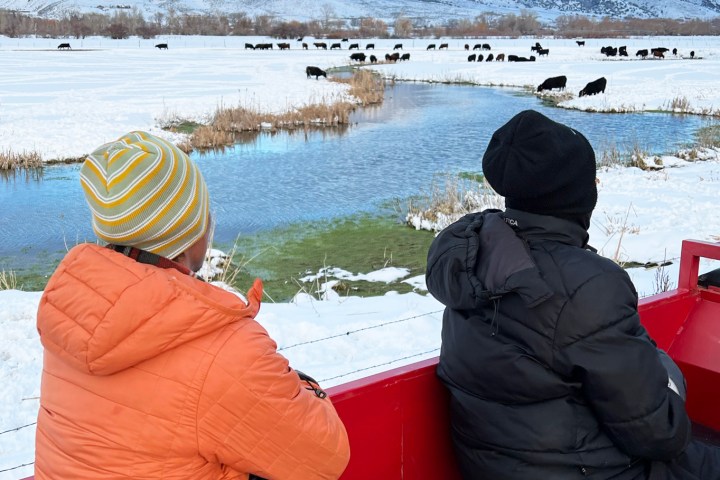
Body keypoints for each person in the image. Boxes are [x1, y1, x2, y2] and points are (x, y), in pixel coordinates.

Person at [35, 131, 350, 479]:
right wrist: (296, 382)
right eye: (203, 213)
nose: (211, 221)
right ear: (185, 235)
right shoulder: (225, 349)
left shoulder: (75, 313)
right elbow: (326, 454)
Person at [426, 110, 720, 479]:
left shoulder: (474, 256)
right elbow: (660, 433)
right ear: (577, 194)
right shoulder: (588, 284)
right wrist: (667, 370)